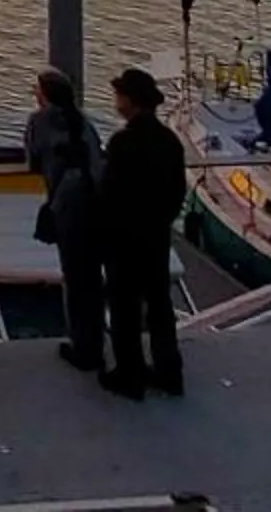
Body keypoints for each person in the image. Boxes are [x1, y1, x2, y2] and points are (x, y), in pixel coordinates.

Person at [99, 66, 186, 398]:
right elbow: (177, 191)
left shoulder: (123, 143)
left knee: (125, 307)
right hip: (156, 235)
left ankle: (128, 373)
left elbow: (111, 193)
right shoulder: (169, 142)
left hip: (124, 237)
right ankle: (169, 371)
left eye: (119, 94)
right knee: (159, 304)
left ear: (130, 101)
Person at [24, 68, 104, 372]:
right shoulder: (84, 122)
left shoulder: (39, 121)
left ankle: (83, 348)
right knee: (93, 277)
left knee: (74, 275)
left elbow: (32, 159)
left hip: (68, 202)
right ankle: (96, 341)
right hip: (97, 201)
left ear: (43, 95)